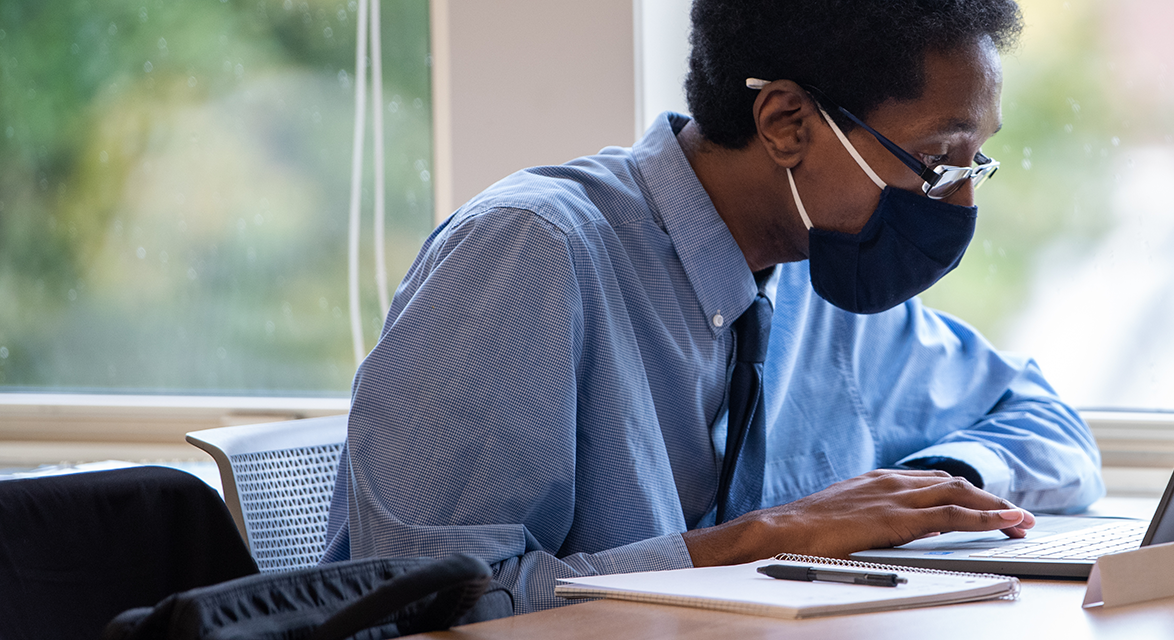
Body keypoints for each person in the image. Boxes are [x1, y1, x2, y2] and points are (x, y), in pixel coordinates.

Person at [321, 0, 1104, 620]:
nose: (962, 200)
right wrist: (765, 540)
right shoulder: (531, 255)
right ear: (787, 124)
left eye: (976, 163)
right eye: (938, 161)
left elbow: (1048, 425)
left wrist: (936, 489)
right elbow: (417, 607)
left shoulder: (820, 279)